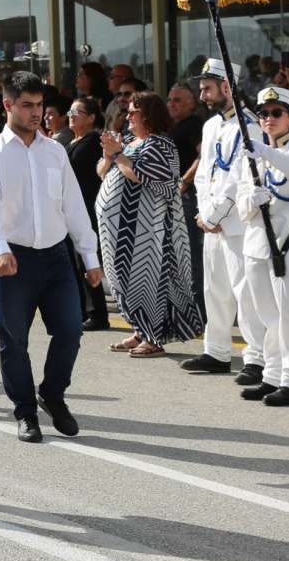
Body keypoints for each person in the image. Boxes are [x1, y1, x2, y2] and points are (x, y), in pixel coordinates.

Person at [0, 72, 101, 443]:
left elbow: (73, 205)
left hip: (56, 258)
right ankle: (25, 411)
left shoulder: (55, 151)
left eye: (40, 105)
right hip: (13, 260)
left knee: (70, 330)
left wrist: (89, 255)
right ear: (8, 106)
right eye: (27, 105)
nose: (36, 113)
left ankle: (53, 393)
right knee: (14, 340)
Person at [231, 86, 289, 406]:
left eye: (276, 113)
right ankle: (272, 375)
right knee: (267, 316)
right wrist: (251, 201)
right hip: (258, 244)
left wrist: (266, 152)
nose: (269, 119)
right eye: (263, 113)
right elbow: (242, 206)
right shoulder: (251, 154)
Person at [98, 92, 203, 358]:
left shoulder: (160, 144)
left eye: (133, 112)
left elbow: (140, 176)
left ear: (148, 115)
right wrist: (109, 154)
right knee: (120, 279)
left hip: (146, 231)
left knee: (148, 280)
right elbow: (101, 172)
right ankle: (139, 329)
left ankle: (154, 336)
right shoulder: (131, 141)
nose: (128, 116)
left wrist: (119, 154)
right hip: (118, 232)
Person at [180, 59, 265, 382]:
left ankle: (256, 358)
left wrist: (215, 215)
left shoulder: (249, 126)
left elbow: (239, 178)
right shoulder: (212, 125)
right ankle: (216, 351)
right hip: (212, 223)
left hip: (238, 224)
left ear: (227, 86)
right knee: (214, 289)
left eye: (207, 88)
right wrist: (204, 215)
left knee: (246, 292)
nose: (202, 95)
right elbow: (203, 175)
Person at [66, 96, 109, 330]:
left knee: (87, 259)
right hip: (72, 209)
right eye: (70, 111)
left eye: (77, 112)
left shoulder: (93, 142)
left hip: (87, 208)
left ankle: (98, 313)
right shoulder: (74, 140)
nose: (71, 115)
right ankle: (82, 310)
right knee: (76, 261)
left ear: (91, 117)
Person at [166, 82, 206, 313]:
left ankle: (198, 310)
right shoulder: (178, 126)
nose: (172, 104)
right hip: (179, 197)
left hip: (189, 197)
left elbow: (204, 156)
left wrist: (184, 181)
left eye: (178, 100)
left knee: (192, 254)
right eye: (170, 100)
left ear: (192, 104)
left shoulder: (193, 126)